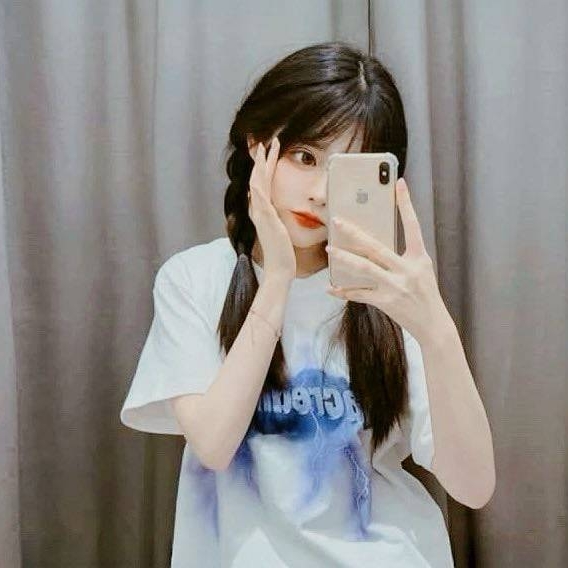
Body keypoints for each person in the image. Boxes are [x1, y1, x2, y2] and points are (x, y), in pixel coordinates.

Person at [120, 41, 456, 567]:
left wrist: (436, 324)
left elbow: (474, 485)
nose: (320, 192)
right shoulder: (193, 280)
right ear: (257, 146)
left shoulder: (386, 292)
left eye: (343, 171)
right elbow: (214, 444)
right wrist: (276, 280)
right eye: (305, 157)